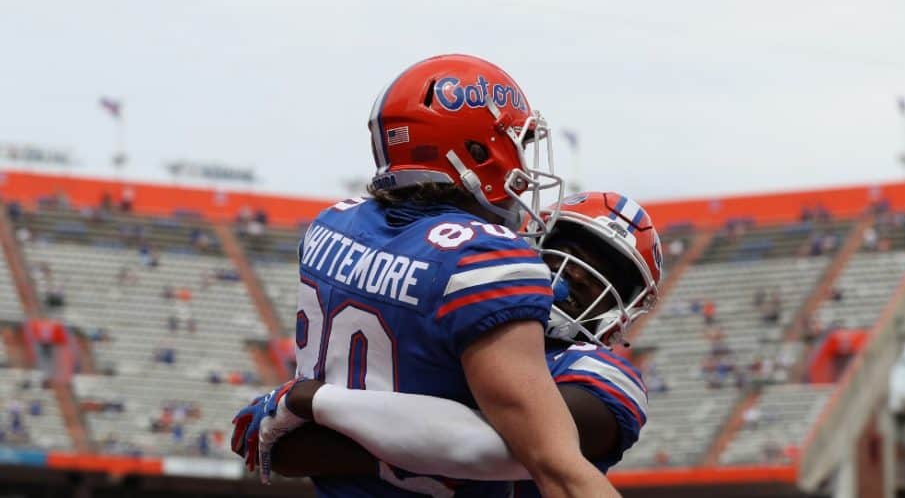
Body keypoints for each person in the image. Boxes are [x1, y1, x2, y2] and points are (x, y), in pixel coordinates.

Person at [235, 55, 617, 498]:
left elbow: (298, 447)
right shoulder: (487, 258)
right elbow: (556, 467)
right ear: (476, 150)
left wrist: (310, 400)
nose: (526, 169)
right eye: (518, 143)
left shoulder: (329, 226)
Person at [233, 192, 663, 497]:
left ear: (624, 311)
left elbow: (484, 446)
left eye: (609, 275)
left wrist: (316, 402)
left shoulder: (605, 379)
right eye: (566, 249)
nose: (579, 274)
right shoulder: (457, 321)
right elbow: (296, 453)